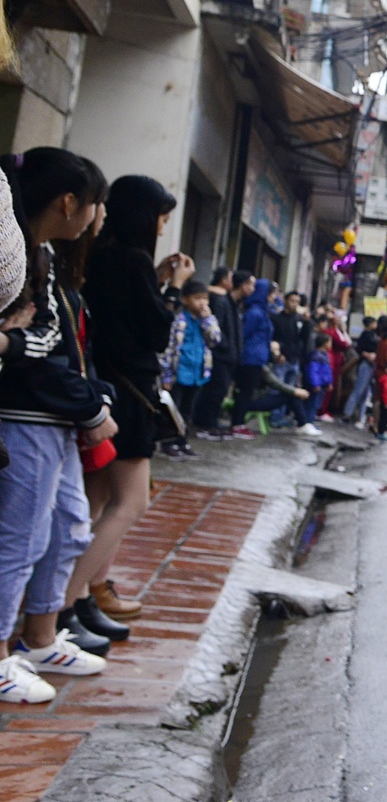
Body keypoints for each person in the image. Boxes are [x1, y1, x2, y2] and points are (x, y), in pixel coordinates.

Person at [0, 149, 115, 703]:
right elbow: (39, 346)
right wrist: (92, 406)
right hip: (28, 415)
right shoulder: (20, 255)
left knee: (67, 524)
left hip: (56, 416)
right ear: (69, 202)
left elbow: (41, 341)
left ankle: (39, 637)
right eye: (95, 205)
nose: (99, 218)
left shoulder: (44, 256)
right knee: (19, 538)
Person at [69, 176, 191, 645]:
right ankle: (66, 601)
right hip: (130, 392)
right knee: (130, 501)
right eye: (162, 216)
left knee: (96, 500)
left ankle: (80, 600)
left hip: (104, 387)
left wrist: (157, 280)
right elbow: (156, 332)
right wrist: (174, 288)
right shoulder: (132, 259)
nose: (163, 225)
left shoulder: (100, 255)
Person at [162, 281, 219, 459]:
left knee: (188, 410)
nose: (202, 303)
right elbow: (169, 349)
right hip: (179, 372)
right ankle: (168, 442)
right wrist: (166, 375)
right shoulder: (178, 320)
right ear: (185, 300)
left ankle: (182, 441)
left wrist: (207, 320)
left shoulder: (208, 320)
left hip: (198, 373)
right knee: (174, 410)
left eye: (205, 299)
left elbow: (215, 340)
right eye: (197, 298)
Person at [196, 267, 239, 439]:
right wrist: (225, 346)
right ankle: (207, 424)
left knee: (217, 390)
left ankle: (208, 422)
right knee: (215, 390)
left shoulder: (224, 299)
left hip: (225, 353)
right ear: (223, 280)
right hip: (220, 354)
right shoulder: (219, 300)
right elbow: (217, 328)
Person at [228, 271, 270, 437]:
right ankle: (237, 424)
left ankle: (239, 422)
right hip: (249, 358)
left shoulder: (260, 311)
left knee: (247, 392)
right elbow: (243, 334)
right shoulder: (255, 313)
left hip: (256, 358)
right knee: (244, 392)